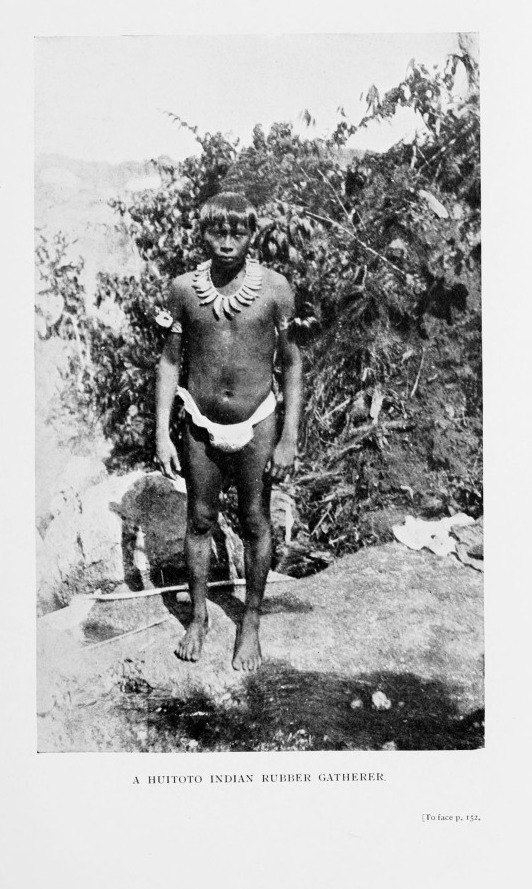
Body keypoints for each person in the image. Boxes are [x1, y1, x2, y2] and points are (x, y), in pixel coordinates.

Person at [155, 192, 303, 671]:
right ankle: (198, 618)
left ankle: (251, 620)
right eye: (217, 231)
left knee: (255, 520)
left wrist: (289, 437)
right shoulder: (183, 290)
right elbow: (169, 362)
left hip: (257, 420)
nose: (226, 242)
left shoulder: (275, 289)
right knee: (199, 519)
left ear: (252, 235)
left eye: (237, 233)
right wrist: (161, 433)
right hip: (199, 422)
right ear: (203, 233)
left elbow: (292, 364)